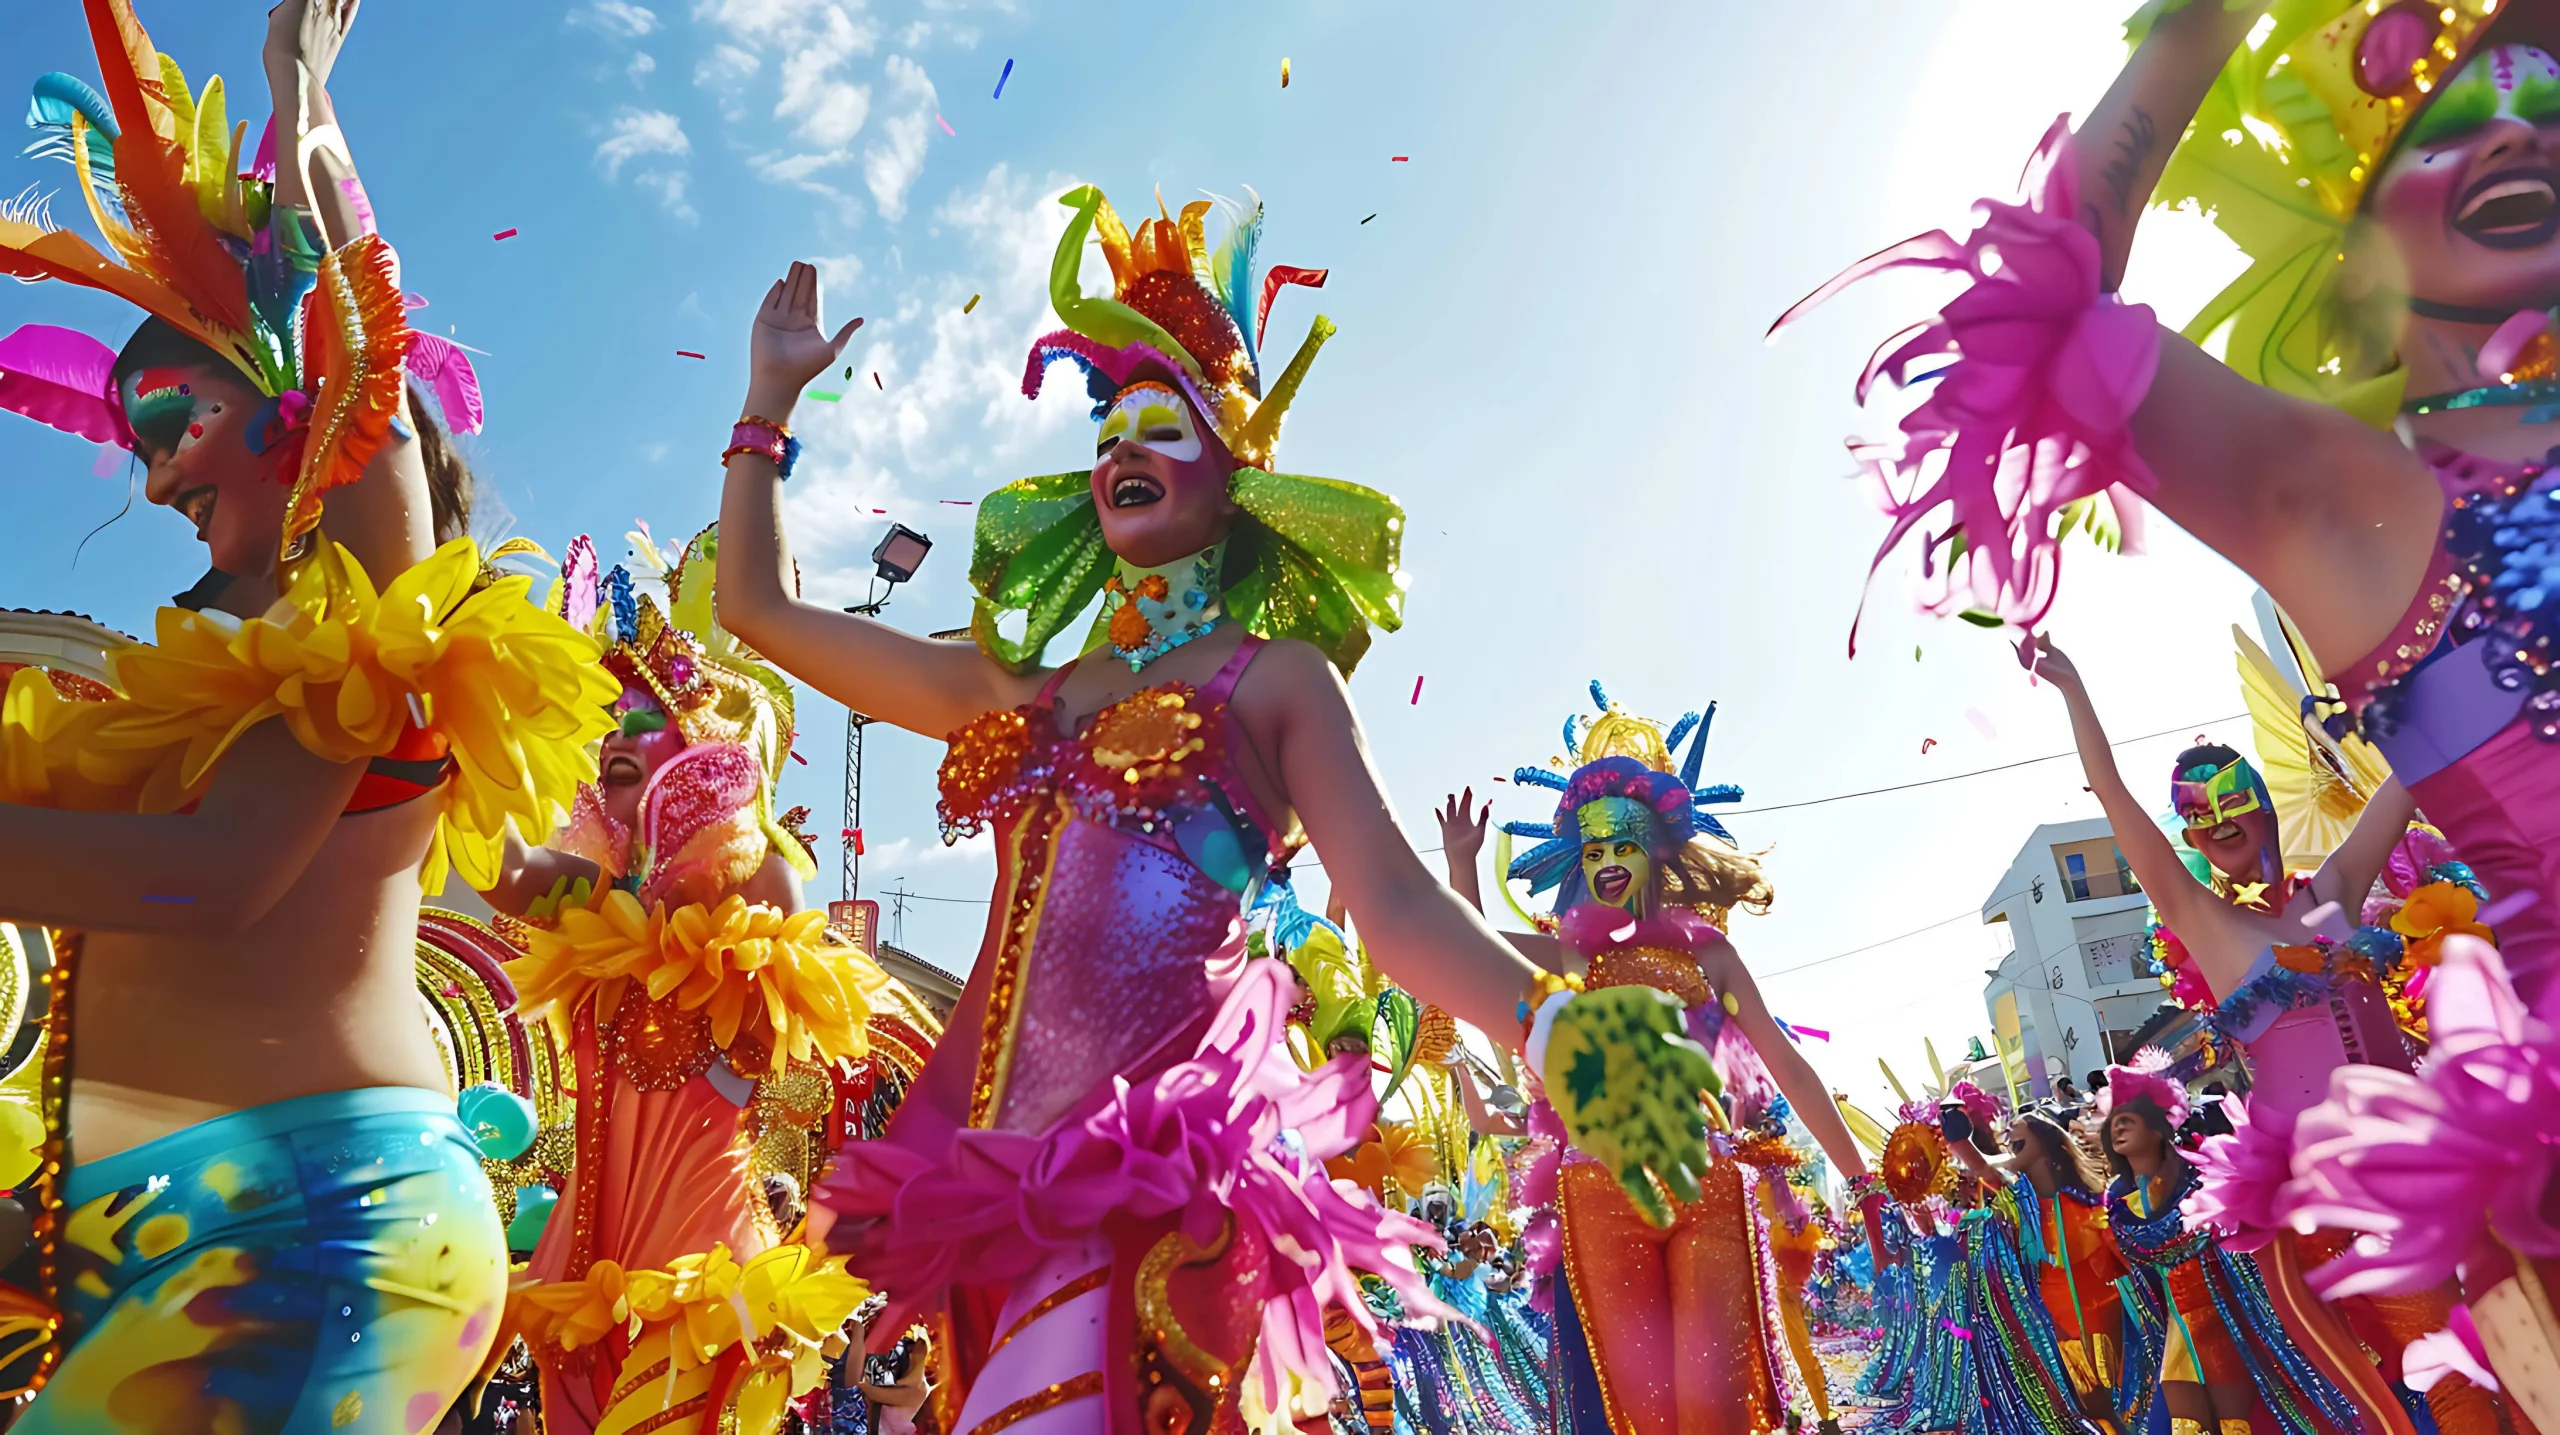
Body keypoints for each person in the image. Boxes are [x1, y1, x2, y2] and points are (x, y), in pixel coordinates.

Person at [718, 193, 1718, 1435]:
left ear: (1230, 468)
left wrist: (1552, 1022)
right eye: (1110, 427)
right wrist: (766, 410)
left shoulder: (1276, 677)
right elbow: (754, 610)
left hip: (1165, 1195)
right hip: (991, 1190)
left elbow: (1394, 903)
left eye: (1164, 424)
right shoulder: (1017, 688)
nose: (1124, 445)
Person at [0, 0, 618, 1425]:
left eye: (174, 428)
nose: (152, 481)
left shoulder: (364, 611)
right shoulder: (208, 650)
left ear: (294, 397)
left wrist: (303, 102)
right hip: (141, 1234)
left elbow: (202, 877)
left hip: (310, 1228)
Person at [2034, 638, 2499, 1433]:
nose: (2216, 821)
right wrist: (2074, 689)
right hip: (2329, 1184)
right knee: (2440, 1365)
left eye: (2229, 799)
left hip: (2426, 1149)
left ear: (2262, 801)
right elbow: (2112, 797)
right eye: (2195, 813)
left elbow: (2410, 772)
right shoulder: (2204, 921)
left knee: (2490, 1339)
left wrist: (2447, 658)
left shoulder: (2336, 888)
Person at [488, 529, 879, 1435]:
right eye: (602, 727)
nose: (614, 737)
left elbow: (771, 902)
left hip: (695, 1277)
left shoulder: (758, 878)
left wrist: (707, 819)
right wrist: (480, 707)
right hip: (579, 1281)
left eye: (640, 718)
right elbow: (503, 867)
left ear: (695, 741)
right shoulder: (591, 893)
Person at [1438, 687, 1883, 1435]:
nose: (1610, 861)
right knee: (1639, 1417)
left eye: (1624, 843)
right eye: (1595, 849)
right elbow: (1463, 951)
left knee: (1716, 1411)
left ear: (1658, 848)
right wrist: (1462, 866)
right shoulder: (1573, 953)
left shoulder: (1709, 951)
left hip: (1705, 1180)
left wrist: (1864, 1181)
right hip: (1599, 1190)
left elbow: (1789, 1066)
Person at [2100, 1055, 2353, 1435]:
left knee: (2235, 1424)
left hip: (2228, 1317)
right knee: (2183, 1426)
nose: (2117, 1128)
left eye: (2128, 1120)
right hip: (2177, 1326)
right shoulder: (2121, 1207)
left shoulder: (2201, 1180)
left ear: (2157, 1129)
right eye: (2113, 1123)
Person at [1945, 1102, 2129, 1432]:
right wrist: (1960, 1140)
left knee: (2104, 1406)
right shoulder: (2020, 1202)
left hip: (2101, 1317)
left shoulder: (2091, 1200)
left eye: (2020, 1139)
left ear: (2050, 1144)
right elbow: (1985, 1170)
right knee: (2084, 1411)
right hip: (2054, 1325)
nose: (2011, 1140)